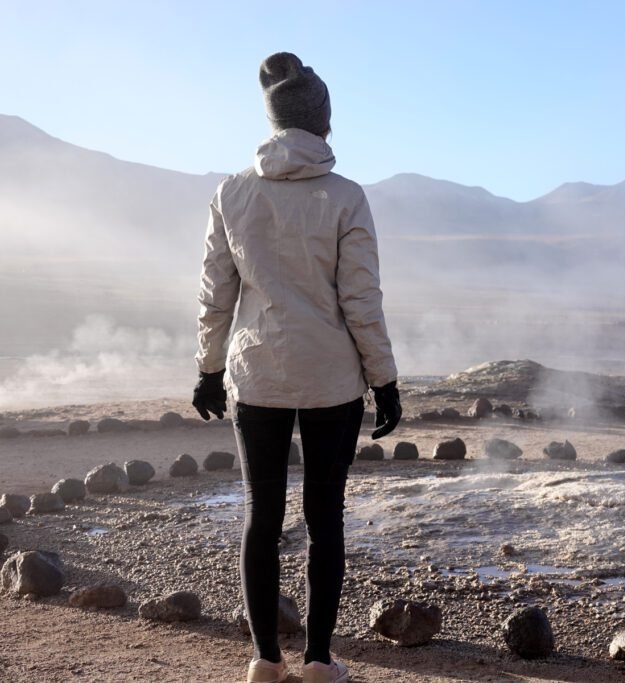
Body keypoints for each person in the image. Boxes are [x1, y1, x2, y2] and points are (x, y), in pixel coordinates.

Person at [192, 52, 401, 683]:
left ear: (273, 121)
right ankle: (317, 660)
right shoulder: (345, 197)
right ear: (325, 123)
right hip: (332, 379)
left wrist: (206, 368)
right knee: (324, 518)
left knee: (262, 515)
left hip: (256, 376)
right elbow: (361, 299)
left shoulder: (231, 192)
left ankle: (263, 660)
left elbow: (216, 293)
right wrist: (384, 379)